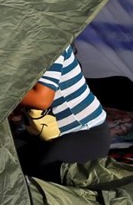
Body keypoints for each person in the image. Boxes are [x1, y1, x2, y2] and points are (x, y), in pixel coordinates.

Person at [16, 44, 109, 182]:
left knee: (42, 179)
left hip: (84, 133)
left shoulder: (51, 43)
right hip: (42, 133)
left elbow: (41, 99)